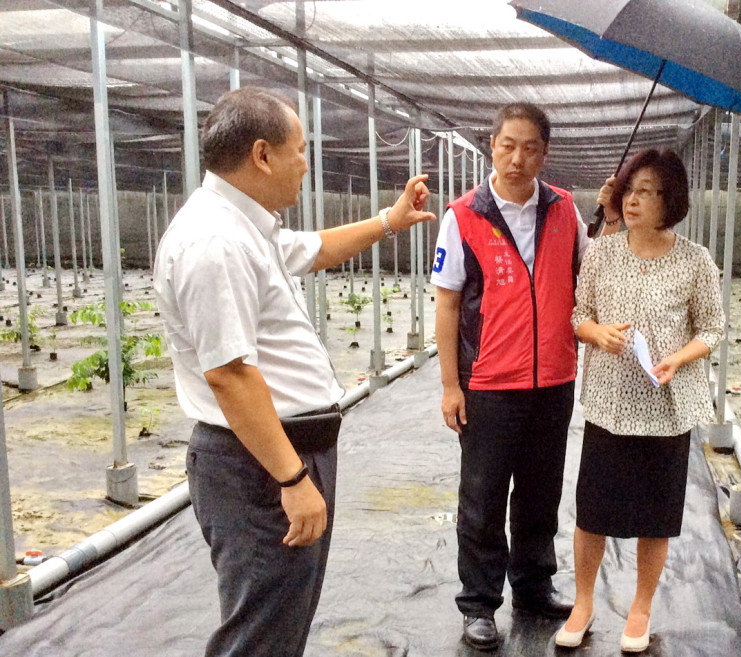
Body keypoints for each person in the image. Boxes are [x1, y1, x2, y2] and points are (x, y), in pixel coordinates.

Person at [153, 87, 434, 657]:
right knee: (260, 631)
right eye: (301, 150)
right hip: (259, 467)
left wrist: (390, 221)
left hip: (280, 456)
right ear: (262, 155)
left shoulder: (242, 226)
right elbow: (229, 375)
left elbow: (315, 249)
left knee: (279, 622)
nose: (307, 164)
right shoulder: (215, 242)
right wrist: (292, 480)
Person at [431, 102, 593, 651]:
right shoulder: (463, 216)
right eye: (508, 145)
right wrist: (452, 385)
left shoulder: (566, 211)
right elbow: (448, 304)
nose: (518, 158)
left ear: (544, 154)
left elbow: (589, 277)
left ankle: (533, 584)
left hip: (552, 380)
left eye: (530, 148)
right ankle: (478, 604)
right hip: (489, 383)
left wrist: (613, 216)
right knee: (482, 495)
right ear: (491, 146)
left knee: (540, 491)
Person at [555, 149, 724, 653]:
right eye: (631, 189)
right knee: (593, 510)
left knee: (656, 513)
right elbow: (577, 314)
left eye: (649, 191)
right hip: (609, 403)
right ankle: (583, 603)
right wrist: (596, 333)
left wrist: (678, 358)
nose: (635, 200)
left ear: (670, 200)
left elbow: (713, 328)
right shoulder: (603, 251)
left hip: (665, 408)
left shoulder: (695, 260)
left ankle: (640, 606)